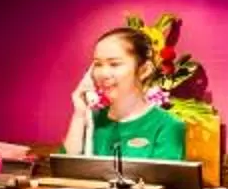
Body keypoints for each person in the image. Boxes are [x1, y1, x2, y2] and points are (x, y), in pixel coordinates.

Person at [59, 25, 191, 162]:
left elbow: (165, 180)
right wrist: (79, 115)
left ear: (144, 70)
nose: (103, 74)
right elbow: (63, 172)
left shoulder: (167, 125)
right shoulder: (91, 120)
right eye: (98, 64)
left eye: (114, 64)